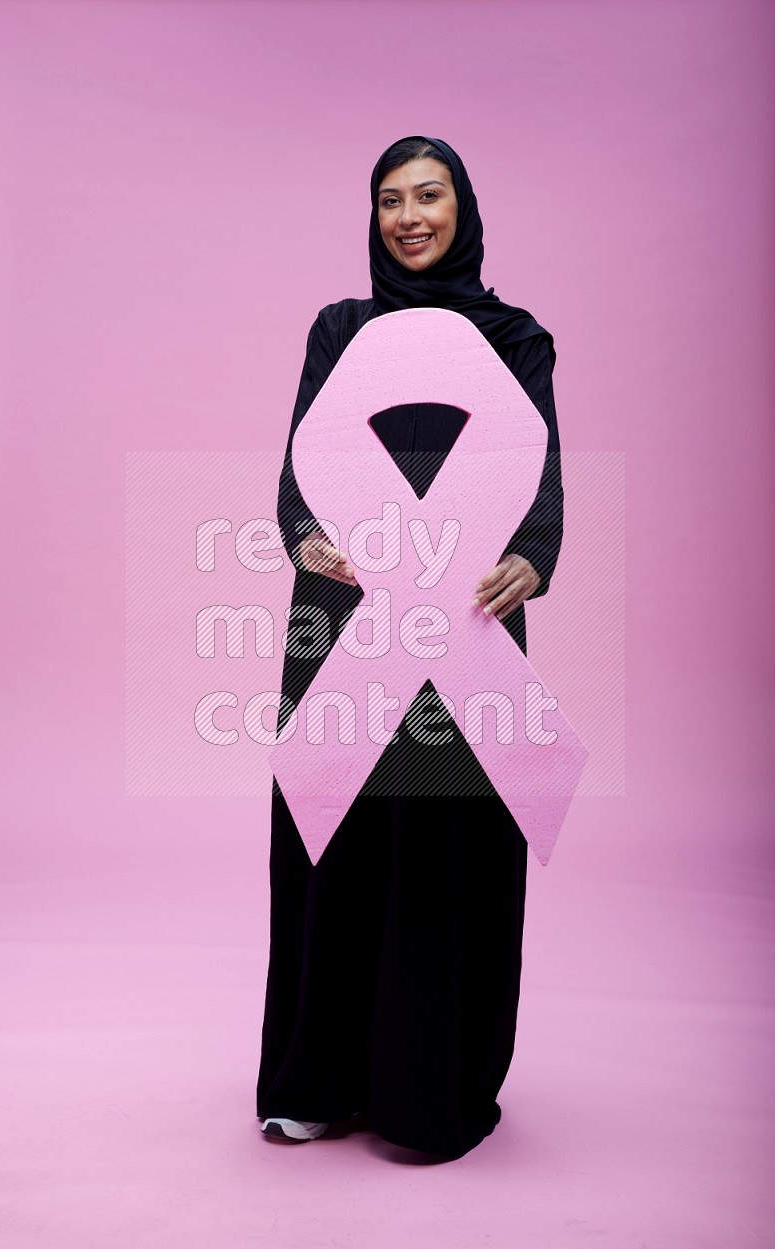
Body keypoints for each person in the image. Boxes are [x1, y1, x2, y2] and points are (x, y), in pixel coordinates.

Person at [256, 135, 564, 1159]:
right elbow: (301, 463)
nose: (408, 216)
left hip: (466, 619)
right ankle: (315, 1080)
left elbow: (536, 471)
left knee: (442, 848)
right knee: (334, 837)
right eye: (390, 199)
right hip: (346, 612)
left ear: (460, 207)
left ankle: (428, 1093)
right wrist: (303, 531)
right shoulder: (338, 329)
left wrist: (532, 553)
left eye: (427, 196)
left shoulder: (514, 336)